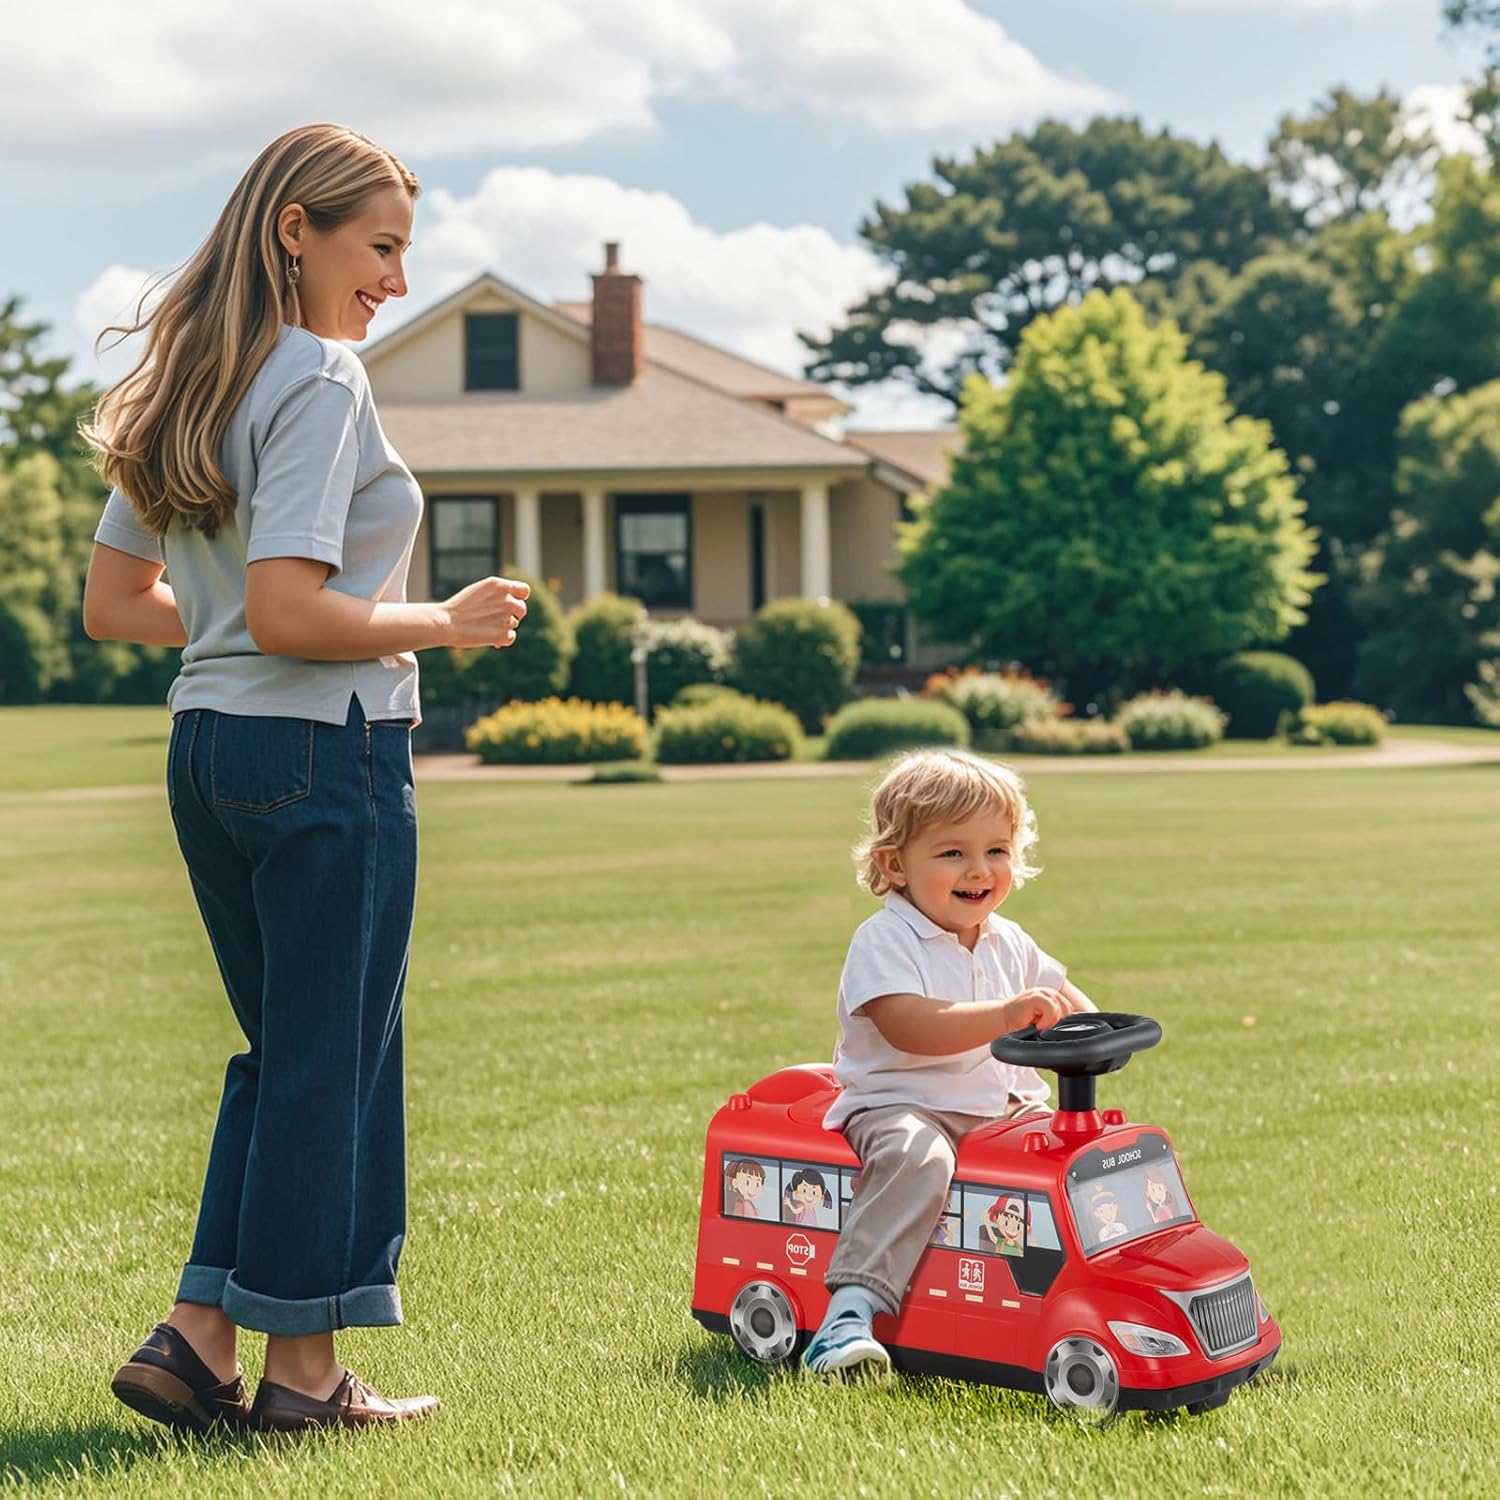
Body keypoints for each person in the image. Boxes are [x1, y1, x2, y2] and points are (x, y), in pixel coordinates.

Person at [80, 123, 530, 1434]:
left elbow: (122, 603)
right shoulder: (321, 375)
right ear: (297, 229)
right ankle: (305, 1380)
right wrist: (436, 622)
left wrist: (239, 623)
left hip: (209, 754)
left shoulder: (183, 380)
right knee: (330, 1067)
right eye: (379, 245)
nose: (394, 277)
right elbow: (289, 611)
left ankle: (194, 1333)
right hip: (326, 752)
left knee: (288, 1058)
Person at [803, 749, 1095, 1377]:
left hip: (1005, 1106)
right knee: (918, 1156)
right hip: (905, 1104)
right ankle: (848, 1314)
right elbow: (910, 1028)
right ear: (894, 864)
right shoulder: (885, 940)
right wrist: (1005, 1015)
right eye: (952, 852)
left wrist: (1095, 1032)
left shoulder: (1009, 938)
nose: (979, 870)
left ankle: (1068, 1300)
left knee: (1081, 1159)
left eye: (997, 850)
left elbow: (1073, 1007)